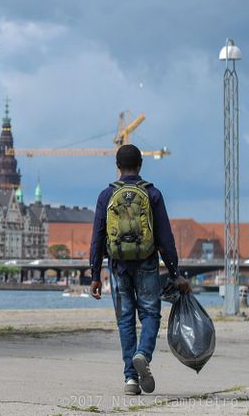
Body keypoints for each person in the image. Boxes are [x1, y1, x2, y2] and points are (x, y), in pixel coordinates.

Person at [89, 144, 190, 396]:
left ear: (117, 167)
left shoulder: (105, 196)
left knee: (125, 321)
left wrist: (94, 275)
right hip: (146, 263)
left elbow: (98, 237)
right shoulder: (152, 194)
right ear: (141, 165)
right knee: (150, 315)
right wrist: (175, 272)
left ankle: (130, 380)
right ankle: (143, 353)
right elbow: (165, 238)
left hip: (118, 267)